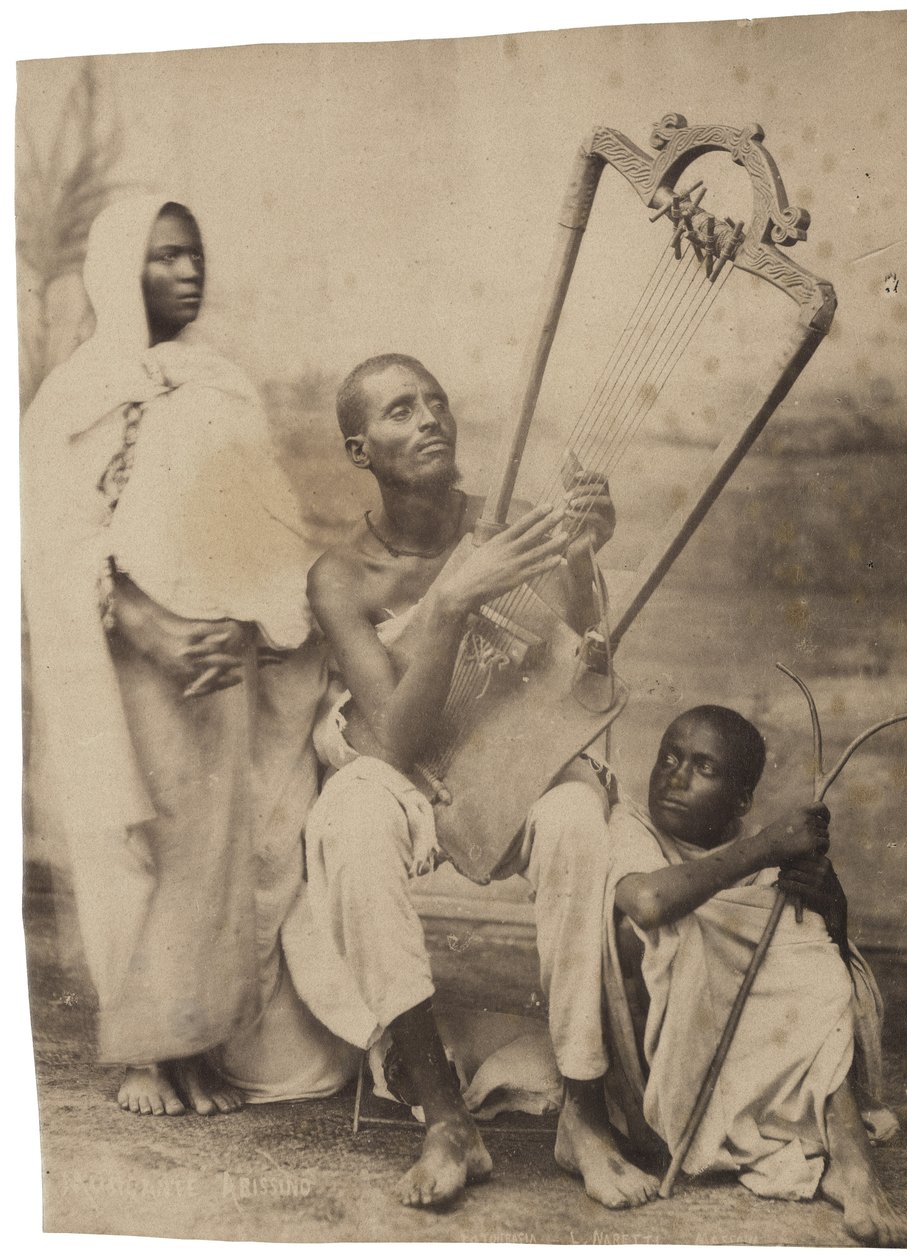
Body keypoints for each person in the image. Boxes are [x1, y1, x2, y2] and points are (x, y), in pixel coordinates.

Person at [293, 352, 659, 1210]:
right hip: (403, 773)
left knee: (577, 816)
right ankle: (446, 1119)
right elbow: (393, 739)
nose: (426, 419)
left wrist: (577, 554)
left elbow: (586, 659)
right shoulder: (341, 576)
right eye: (396, 412)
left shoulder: (507, 527)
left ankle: (583, 1111)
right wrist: (452, 605)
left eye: (434, 401)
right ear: (359, 452)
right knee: (345, 820)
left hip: (504, 762)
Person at [22, 196, 357, 1118]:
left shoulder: (219, 385)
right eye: (164, 257)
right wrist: (147, 626)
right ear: (115, 269)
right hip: (127, 654)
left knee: (215, 844)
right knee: (136, 839)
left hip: (220, 657)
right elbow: (50, 541)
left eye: (195, 255)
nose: (187, 272)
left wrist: (247, 626)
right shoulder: (77, 392)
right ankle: (146, 1055)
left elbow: (262, 530)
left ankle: (196, 1039)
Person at [611, 705, 907, 1247]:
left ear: (742, 801)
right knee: (663, 933)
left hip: (746, 1054)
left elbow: (831, 962)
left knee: (810, 954)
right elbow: (649, 902)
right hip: (656, 1059)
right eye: (670, 758)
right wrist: (768, 847)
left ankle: (853, 1166)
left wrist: (827, 896)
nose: (676, 777)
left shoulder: (765, 861)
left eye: (704, 768)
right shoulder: (631, 826)